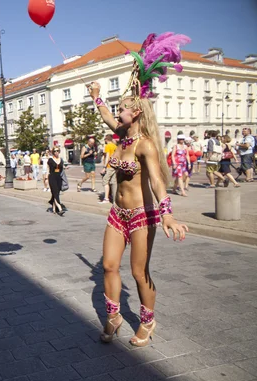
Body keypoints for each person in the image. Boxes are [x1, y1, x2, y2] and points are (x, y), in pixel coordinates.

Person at [88, 32, 189, 347]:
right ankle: (114, 317)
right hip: (117, 213)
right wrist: (96, 95)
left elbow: (157, 180)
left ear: (138, 114)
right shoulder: (121, 136)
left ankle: (148, 320)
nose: (118, 113)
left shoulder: (145, 145)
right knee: (108, 265)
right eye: (118, 109)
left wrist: (167, 215)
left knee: (138, 272)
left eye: (123, 110)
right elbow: (105, 115)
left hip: (142, 216)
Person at [47, 148, 65, 216]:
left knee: (56, 193)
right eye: (55, 151)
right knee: (55, 192)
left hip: (59, 178)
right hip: (52, 177)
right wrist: (46, 177)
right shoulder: (50, 160)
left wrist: (65, 167)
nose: (56, 152)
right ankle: (60, 208)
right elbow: (48, 169)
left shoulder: (61, 159)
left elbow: (61, 168)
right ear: (53, 152)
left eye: (57, 151)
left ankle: (54, 208)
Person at [100, 134, 118, 203]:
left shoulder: (107, 146)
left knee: (105, 181)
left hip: (109, 166)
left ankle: (106, 198)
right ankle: (114, 199)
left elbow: (107, 157)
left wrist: (104, 167)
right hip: (114, 166)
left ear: (106, 139)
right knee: (113, 182)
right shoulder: (115, 146)